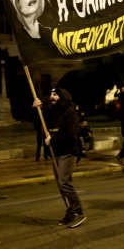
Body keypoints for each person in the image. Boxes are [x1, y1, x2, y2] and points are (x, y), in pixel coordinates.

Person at [33, 88, 87, 228]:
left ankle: (78, 212)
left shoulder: (70, 113)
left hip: (68, 152)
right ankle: (70, 212)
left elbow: (70, 134)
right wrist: (37, 108)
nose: (52, 96)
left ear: (63, 97)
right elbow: (39, 124)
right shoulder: (51, 112)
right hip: (56, 153)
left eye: (55, 94)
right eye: (51, 94)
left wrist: (53, 139)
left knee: (64, 182)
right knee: (60, 185)